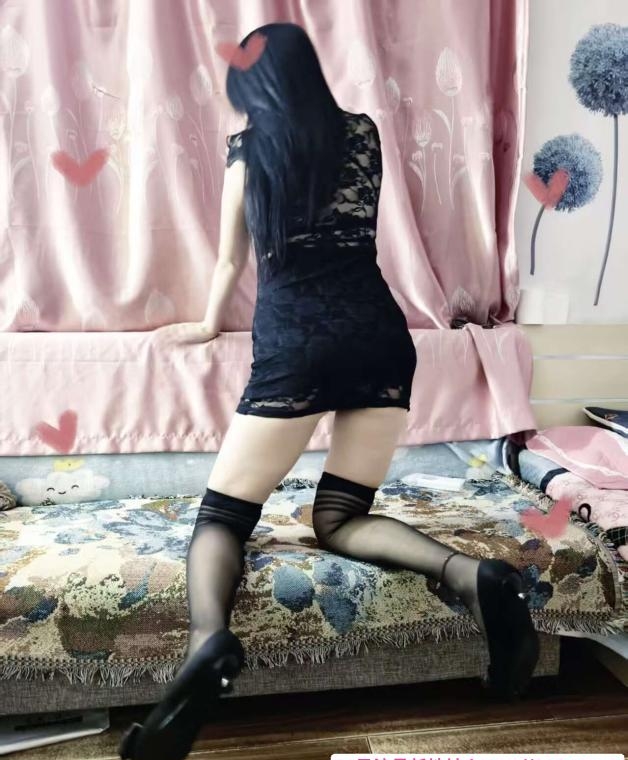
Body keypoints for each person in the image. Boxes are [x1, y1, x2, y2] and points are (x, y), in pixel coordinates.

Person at [119, 22, 539, 760]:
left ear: (256, 86)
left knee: (222, 517)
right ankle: (477, 577)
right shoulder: (363, 134)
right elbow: (352, 230)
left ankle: (208, 643)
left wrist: (208, 324)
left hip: (297, 344)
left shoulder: (250, 148)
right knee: (341, 516)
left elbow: (230, 262)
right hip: (378, 334)